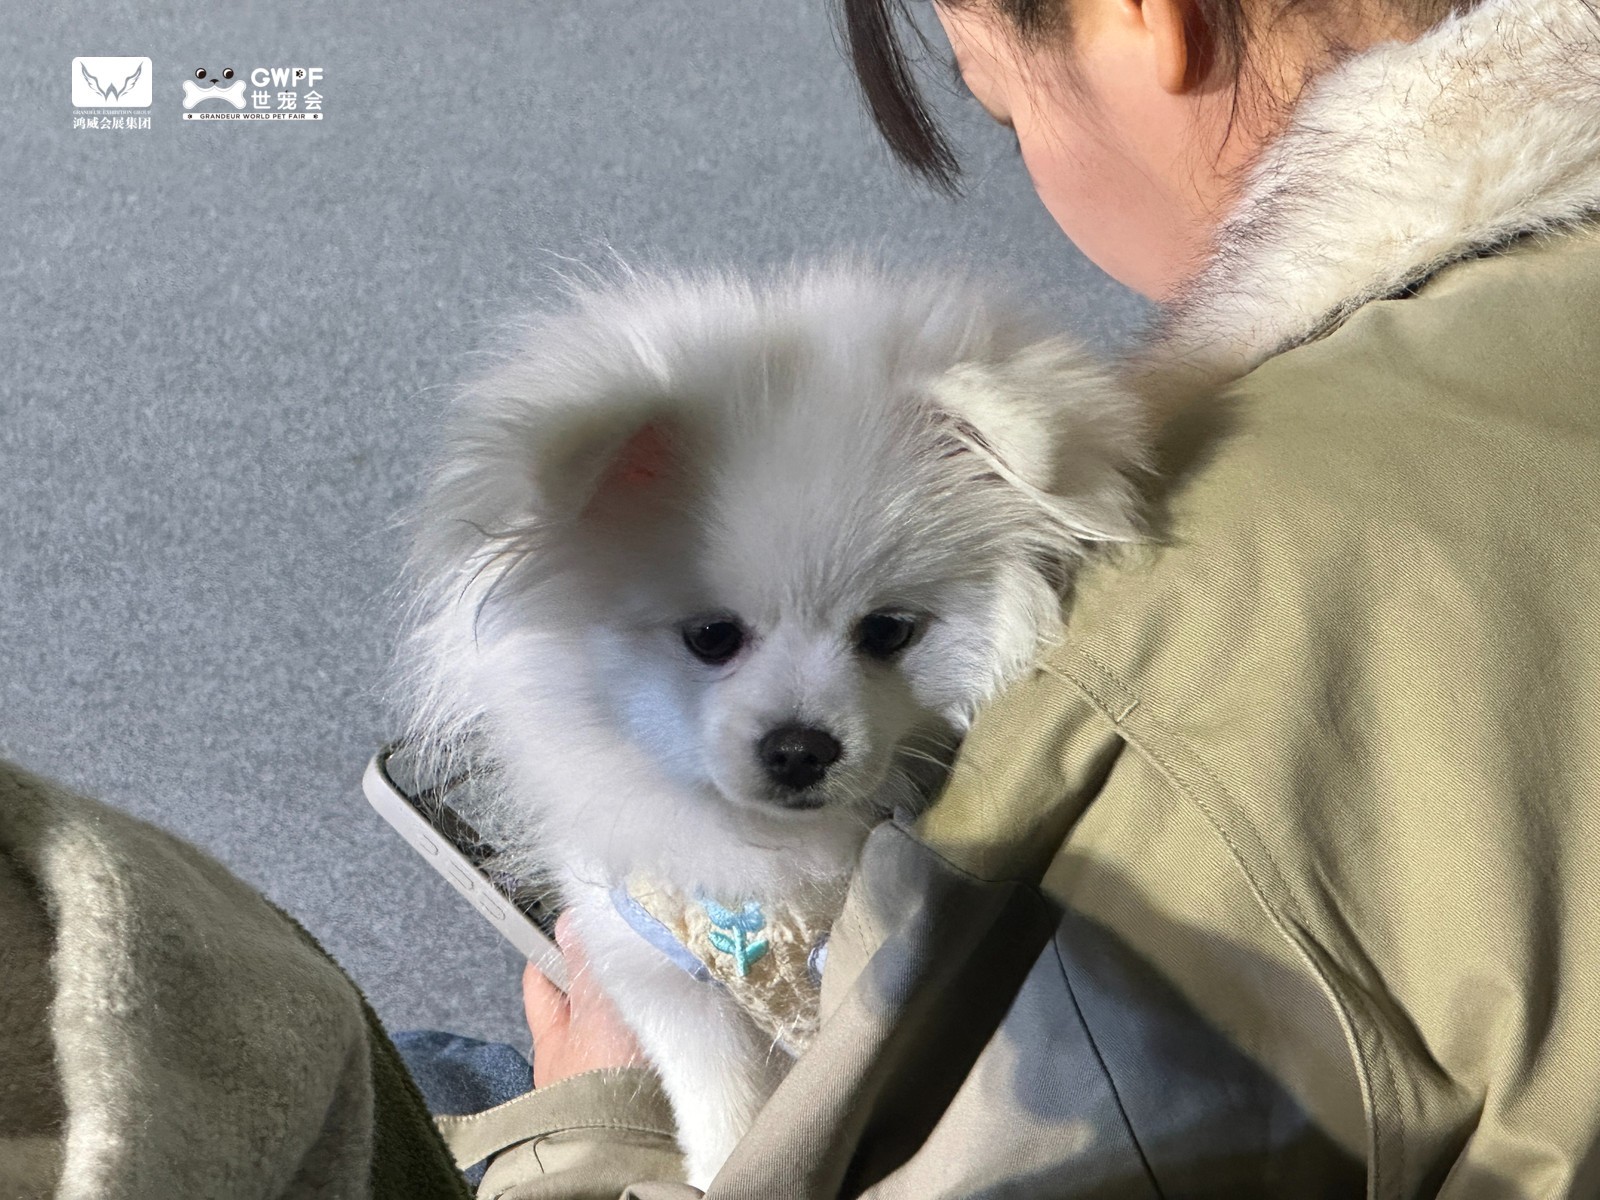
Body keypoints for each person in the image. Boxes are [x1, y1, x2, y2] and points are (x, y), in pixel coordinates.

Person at [2, 0, 1597, 1192]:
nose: (795, 718)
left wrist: (595, 1132)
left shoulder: (1180, 676)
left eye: (988, 98)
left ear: (1144, 21)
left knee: (393, 1076)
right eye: (714, 638)